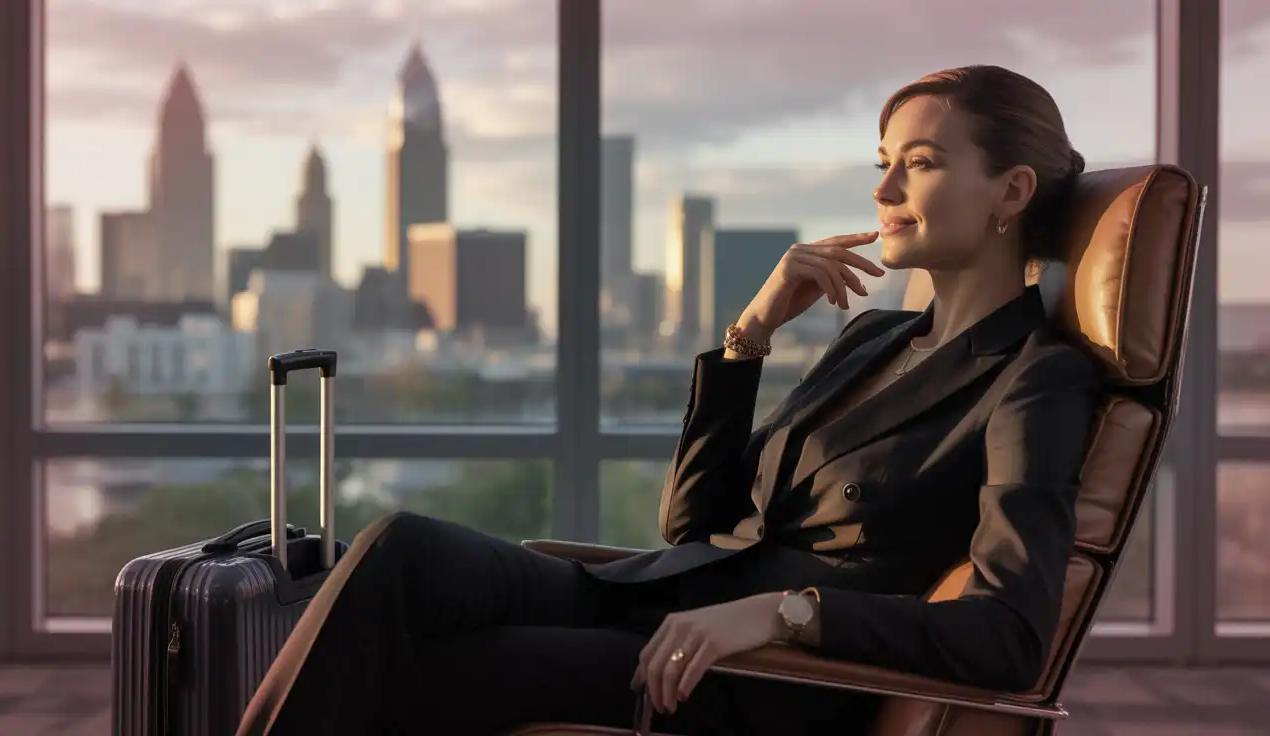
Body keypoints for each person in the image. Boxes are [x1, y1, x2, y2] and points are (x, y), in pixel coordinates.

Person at [235, 64, 1100, 736]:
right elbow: (693, 524)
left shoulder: (1036, 377)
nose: (882, 193)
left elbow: (1008, 635)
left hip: (768, 679)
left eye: (921, 164)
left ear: (1012, 192)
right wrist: (747, 338)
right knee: (401, 548)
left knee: (436, 672)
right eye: (884, 165)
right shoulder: (874, 340)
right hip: (676, 602)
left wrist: (785, 615)